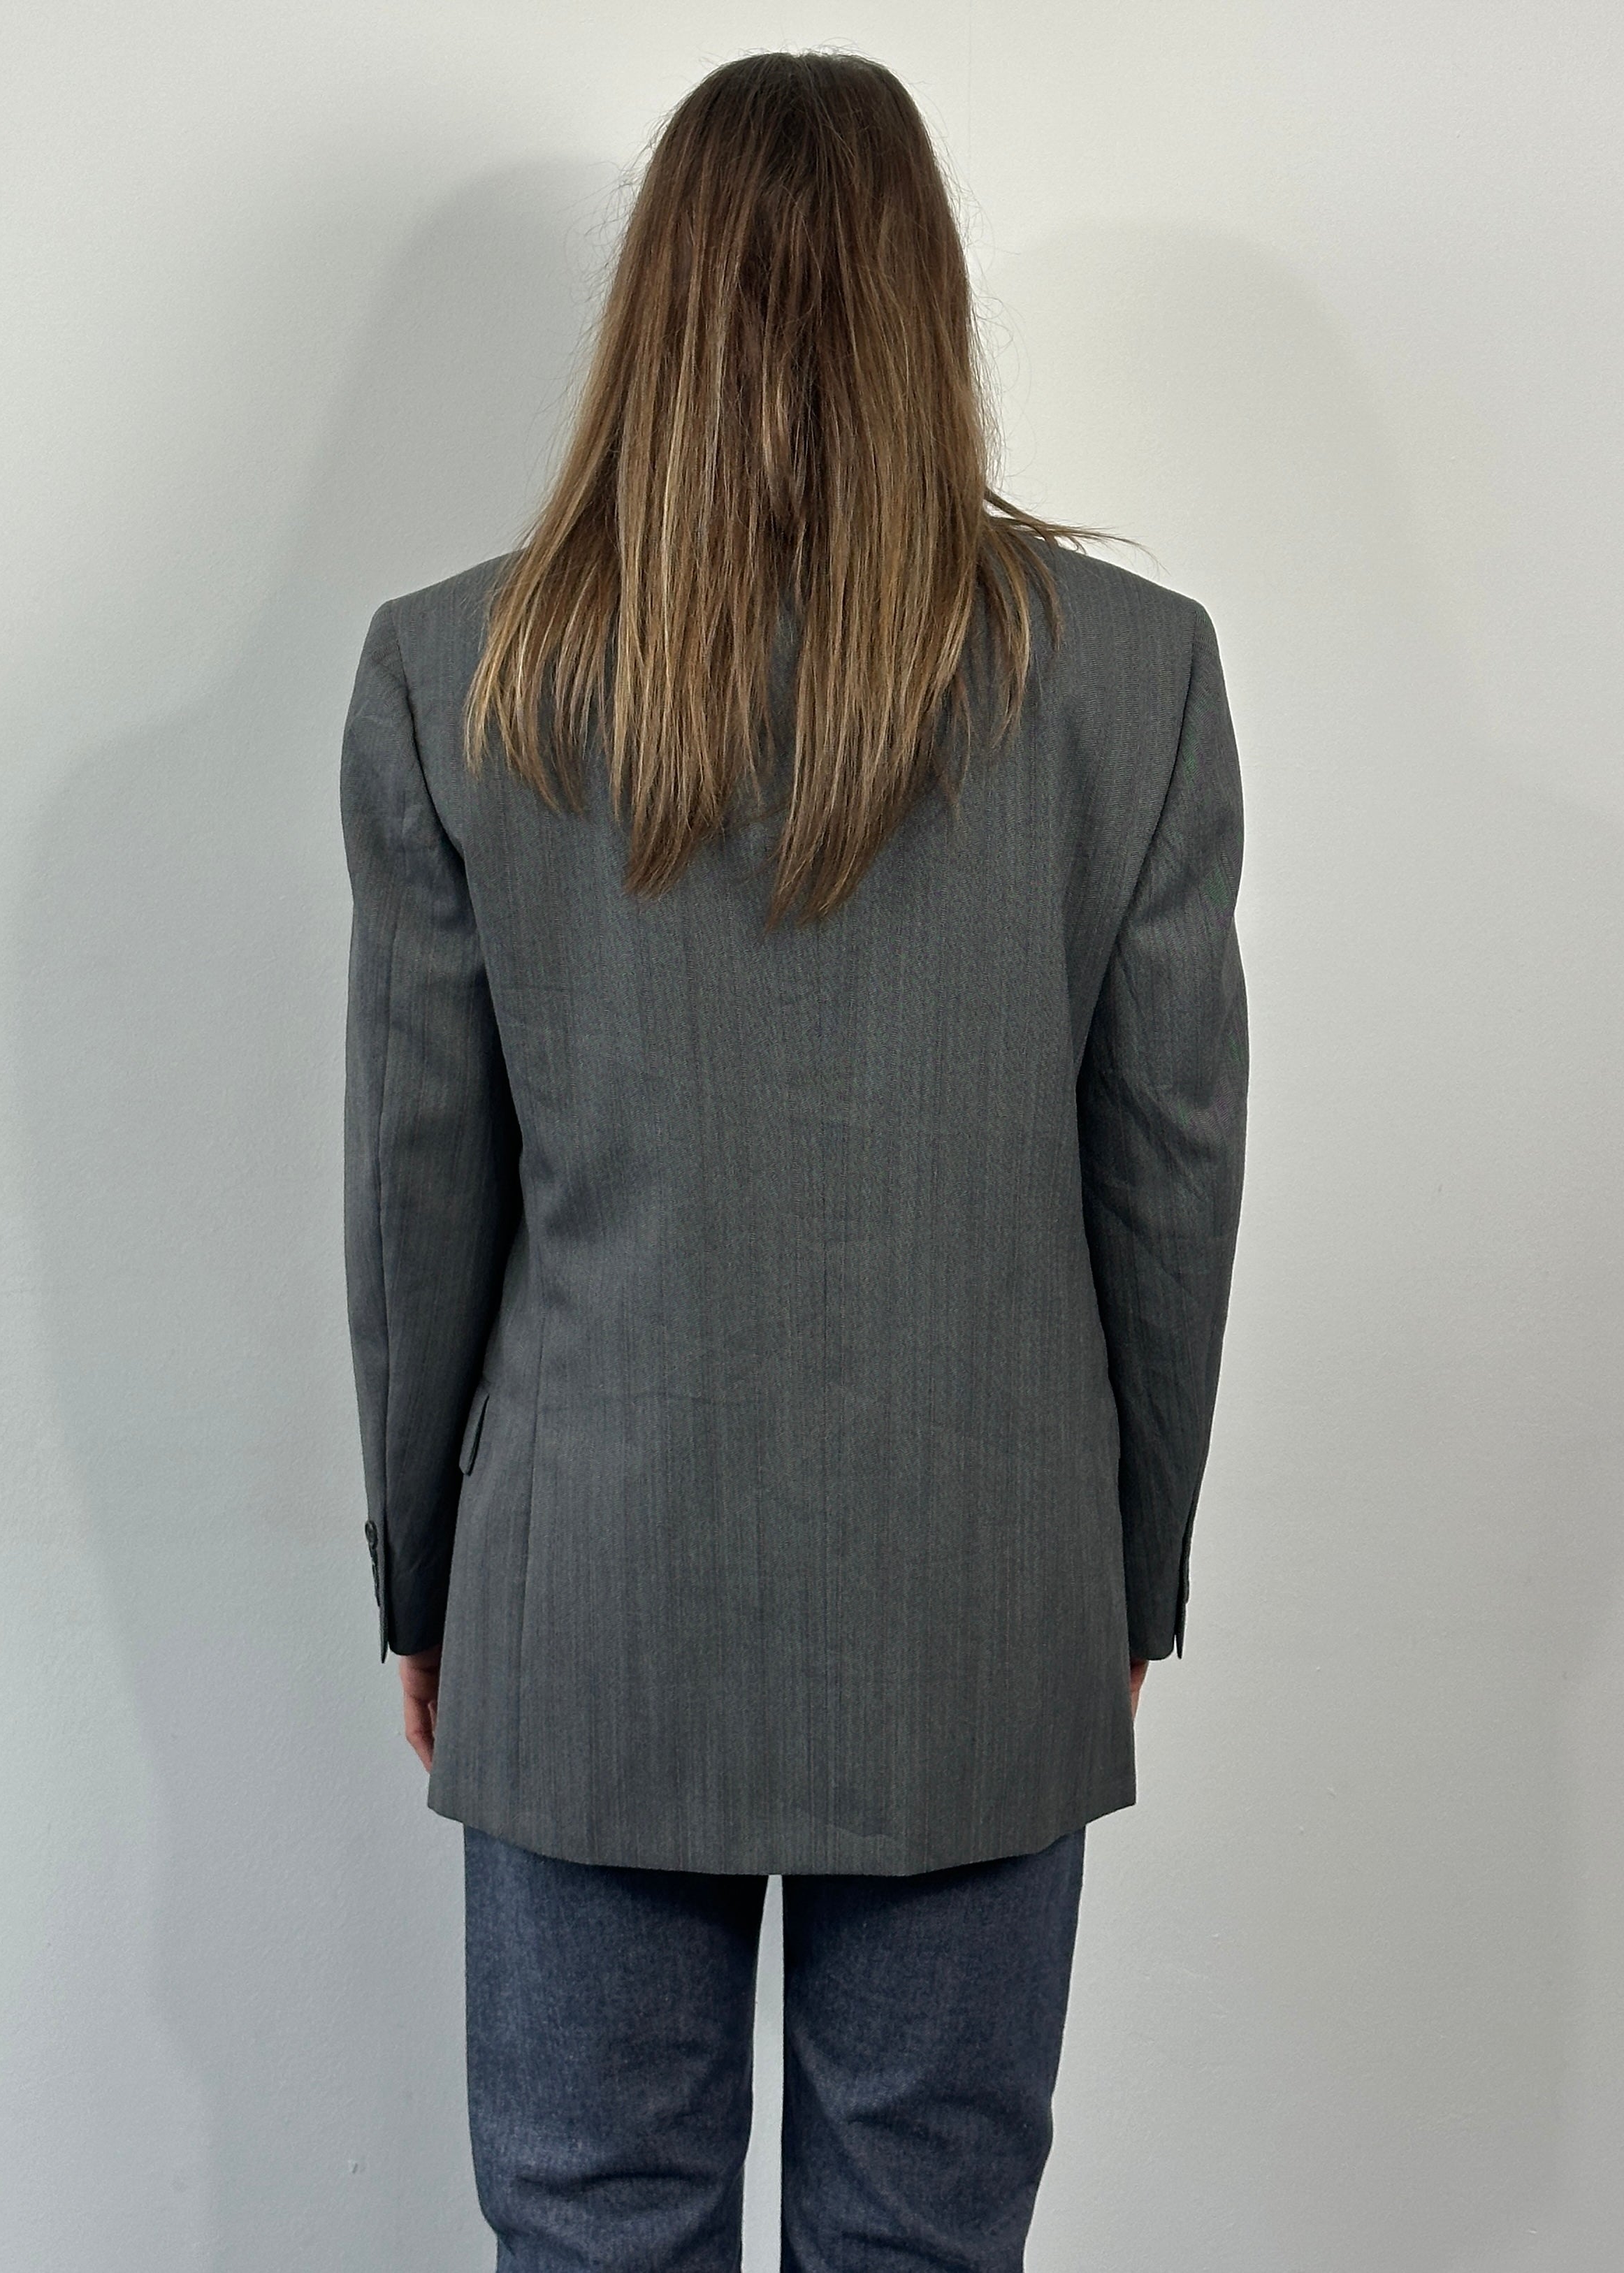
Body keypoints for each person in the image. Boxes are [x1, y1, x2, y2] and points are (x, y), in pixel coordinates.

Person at [339, 47, 1248, 2273]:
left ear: (654, 292)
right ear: (931, 298)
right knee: (926, 2240)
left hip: (585, 1604)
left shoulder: (460, 674)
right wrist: (1122, 1580)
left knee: (592, 2231)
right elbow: (1172, 1178)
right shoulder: (1129, 679)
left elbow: (416, 1195)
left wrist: (426, 1581)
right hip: (981, 1600)